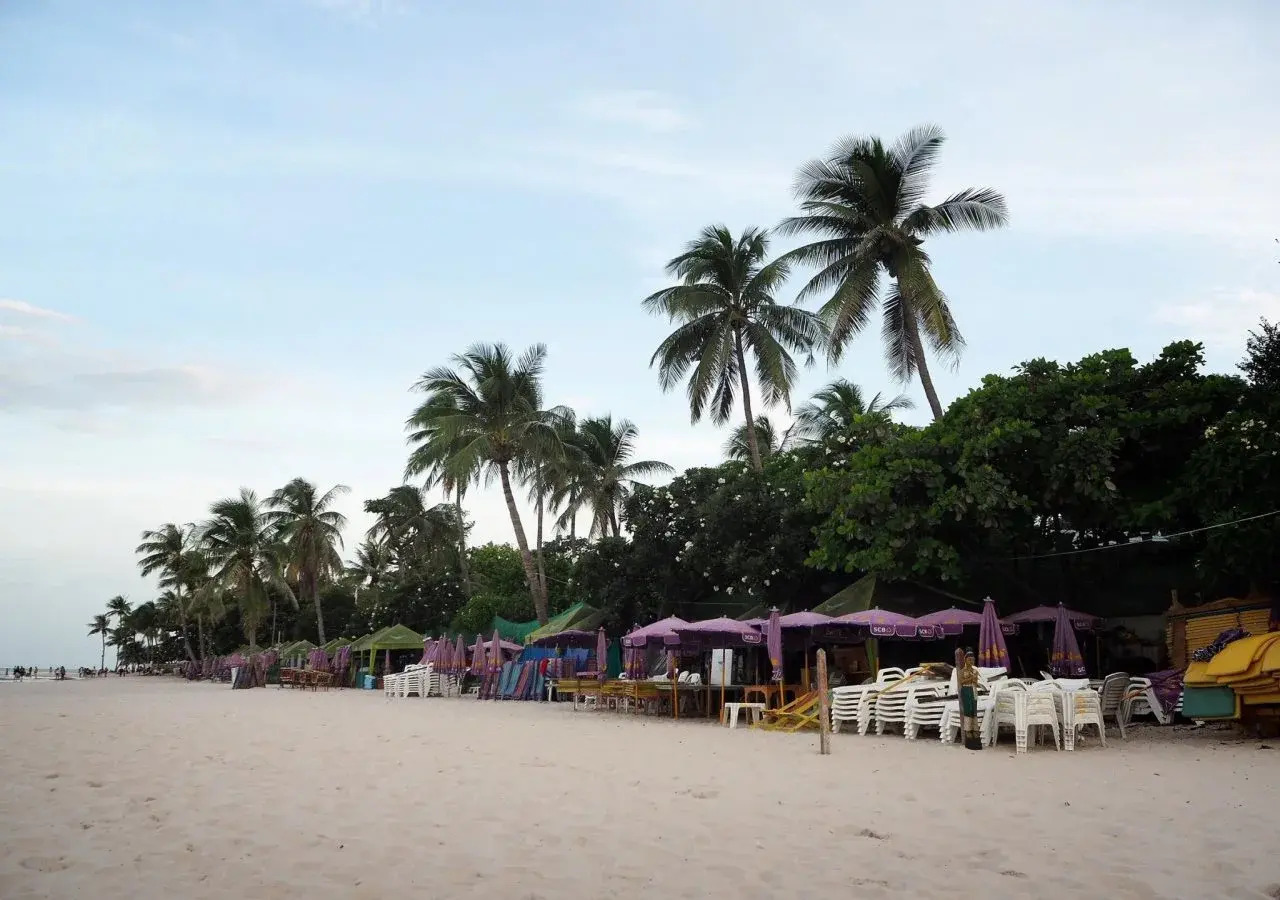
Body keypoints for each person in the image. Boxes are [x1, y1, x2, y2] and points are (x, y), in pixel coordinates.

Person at [955, 647, 983, 751]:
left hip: (973, 690)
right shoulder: (962, 671)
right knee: (968, 711)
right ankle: (968, 730)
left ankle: (975, 730)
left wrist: (972, 679)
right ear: (966, 660)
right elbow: (961, 682)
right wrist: (971, 678)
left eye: (973, 660)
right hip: (966, 691)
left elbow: (975, 682)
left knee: (974, 711)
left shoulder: (975, 671)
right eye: (969, 659)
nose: (971, 661)